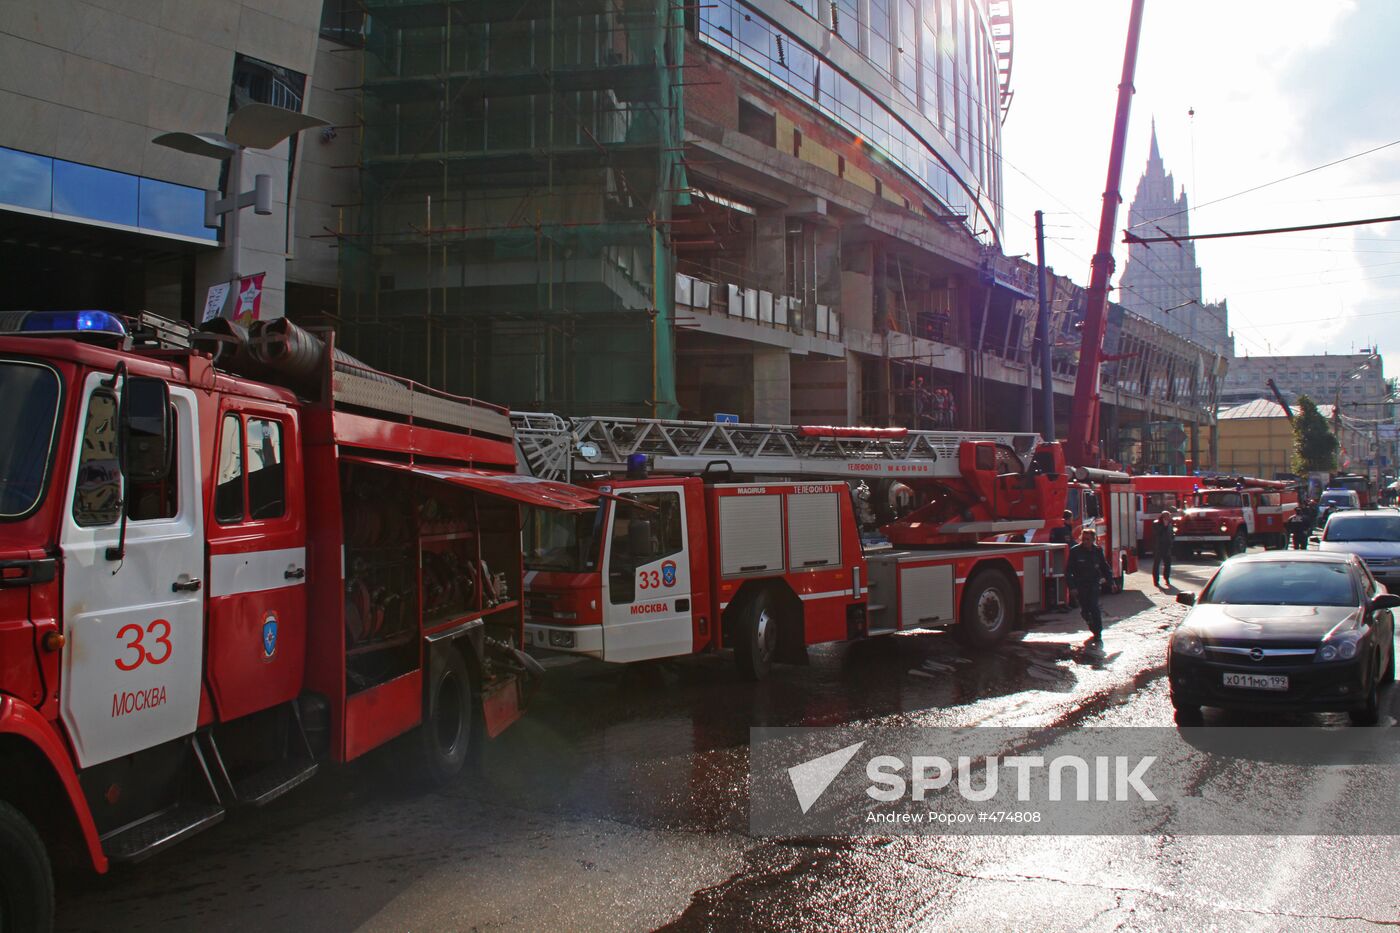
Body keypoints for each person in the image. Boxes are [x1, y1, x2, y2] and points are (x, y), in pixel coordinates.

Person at [1067, 527, 1116, 645]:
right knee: (1085, 610)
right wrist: (1072, 587)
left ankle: (1098, 633)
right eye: (1083, 539)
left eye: (1088, 539)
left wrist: (1111, 582)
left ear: (1093, 539)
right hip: (1081, 585)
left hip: (1094, 583)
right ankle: (1091, 625)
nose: (1085, 541)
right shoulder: (1075, 551)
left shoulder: (1097, 551)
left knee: (1094, 607)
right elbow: (1068, 571)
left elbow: (1105, 567)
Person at [1151, 511, 1174, 588]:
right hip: (1158, 547)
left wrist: (1171, 542)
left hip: (1167, 547)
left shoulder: (1170, 524)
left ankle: (1167, 578)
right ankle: (1156, 581)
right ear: (1164, 517)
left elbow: (1171, 534)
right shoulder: (1156, 523)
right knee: (1156, 565)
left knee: (1168, 564)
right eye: (1168, 516)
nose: (1169, 518)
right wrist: (1164, 526)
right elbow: (1156, 533)